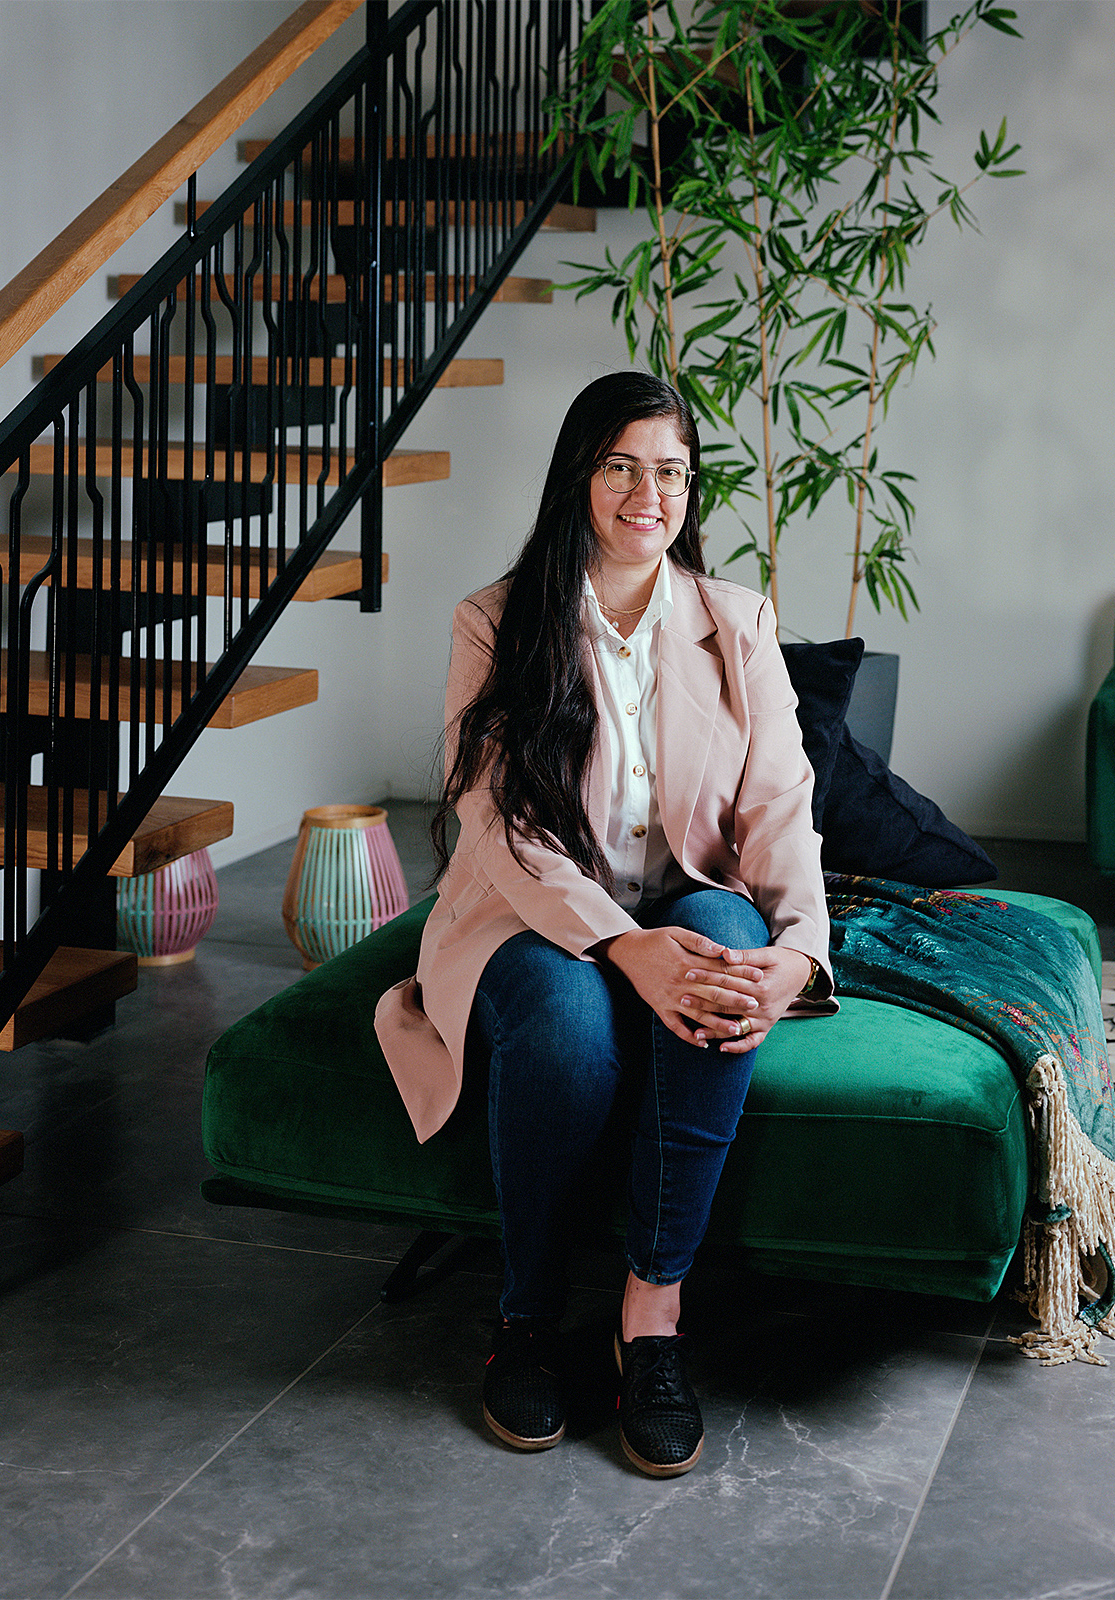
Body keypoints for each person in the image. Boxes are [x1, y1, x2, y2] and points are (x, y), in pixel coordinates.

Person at [374, 370, 831, 1479]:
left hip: (684, 890)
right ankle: (526, 1316)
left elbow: (777, 805)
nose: (647, 493)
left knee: (723, 961)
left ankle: (650, 1318)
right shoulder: (495, 619)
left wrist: (795, 953)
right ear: (580, 475)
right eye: (622, 465)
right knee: (572, 1035)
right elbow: (494, 821)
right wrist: (620, 947)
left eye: (669, 470)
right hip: (530, 909)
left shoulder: (737, 620)